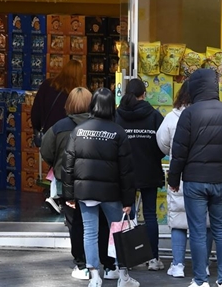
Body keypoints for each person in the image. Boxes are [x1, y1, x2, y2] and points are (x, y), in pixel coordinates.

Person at [168, 69, 222, 287]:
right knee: (221, 230)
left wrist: (173, 180)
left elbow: (179, 151)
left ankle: (201, 280)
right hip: (220, 180)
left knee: (198, 231)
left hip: (194, 181)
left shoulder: (189, 114)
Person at [40, 87, 119, 281]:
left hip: (67, 183)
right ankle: (108, 264)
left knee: (76, 225)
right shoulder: (106, 127)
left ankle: (83, 265)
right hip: (99, 184)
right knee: (102, 224)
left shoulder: (59, 127)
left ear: (68, 105)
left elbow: (46, 152)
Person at [62, 88, 138, 287]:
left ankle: (95, 276)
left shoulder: (78, 131)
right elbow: (126, 171)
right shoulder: (118, 132)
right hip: (111, 193)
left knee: (90, 232)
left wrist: (68, 195)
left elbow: (67, 165)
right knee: (119, 232)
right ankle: (123, 276)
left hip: (85, 192)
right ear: (111, 106)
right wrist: (128, 200)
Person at [157, 80, 214, 278]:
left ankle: (178, 264)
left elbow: (162, 142)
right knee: (205, 222)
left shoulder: (172, 117)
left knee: (178, 220)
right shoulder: (209, 115)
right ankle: (203, 265)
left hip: (178, 175)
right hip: (204, 174)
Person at [114, 79, 165, 271]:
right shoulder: (153, 116)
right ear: (144, 94)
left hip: (124, 172)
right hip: (149, 170)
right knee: (150, 215)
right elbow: (163, 144)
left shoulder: (117, 115)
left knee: (127, 213)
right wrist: (154, 156)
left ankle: (129, 258)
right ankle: (153, 258)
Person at [31, 59, 83, 212]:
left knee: (56, 163)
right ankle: (61, 195)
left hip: (50, 134)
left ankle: (56, 194)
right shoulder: (78, 91)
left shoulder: (47, 85)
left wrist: (37, 128)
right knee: (69, 165)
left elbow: (35, 112)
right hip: (72, 135)